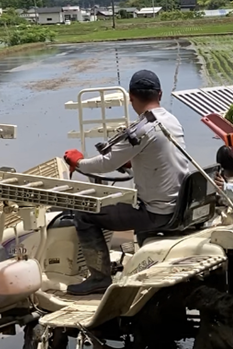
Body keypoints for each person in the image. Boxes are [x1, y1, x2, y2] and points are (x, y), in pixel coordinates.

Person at [63, 69, 189, 296]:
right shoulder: (171, 120)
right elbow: (161, 156)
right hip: (179, 206)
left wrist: (78, 162)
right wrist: (133, 164)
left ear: (130, 97)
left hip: (155, 212)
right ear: (160, 94)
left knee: (84, 213)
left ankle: (99, 278)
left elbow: (104, 164)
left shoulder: (140, 129)